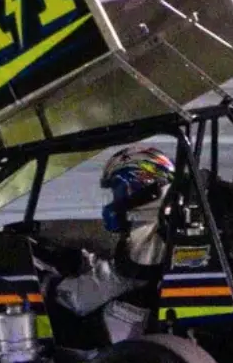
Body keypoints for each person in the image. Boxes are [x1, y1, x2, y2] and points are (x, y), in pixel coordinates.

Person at [45, 146, 174, 343]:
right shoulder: (166, 223)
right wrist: (84, 261)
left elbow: (110, 283)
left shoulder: (149, 229)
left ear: (141, 187)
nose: (115, 200)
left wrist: (50, 285)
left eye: (118, 190)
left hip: (127, 332)